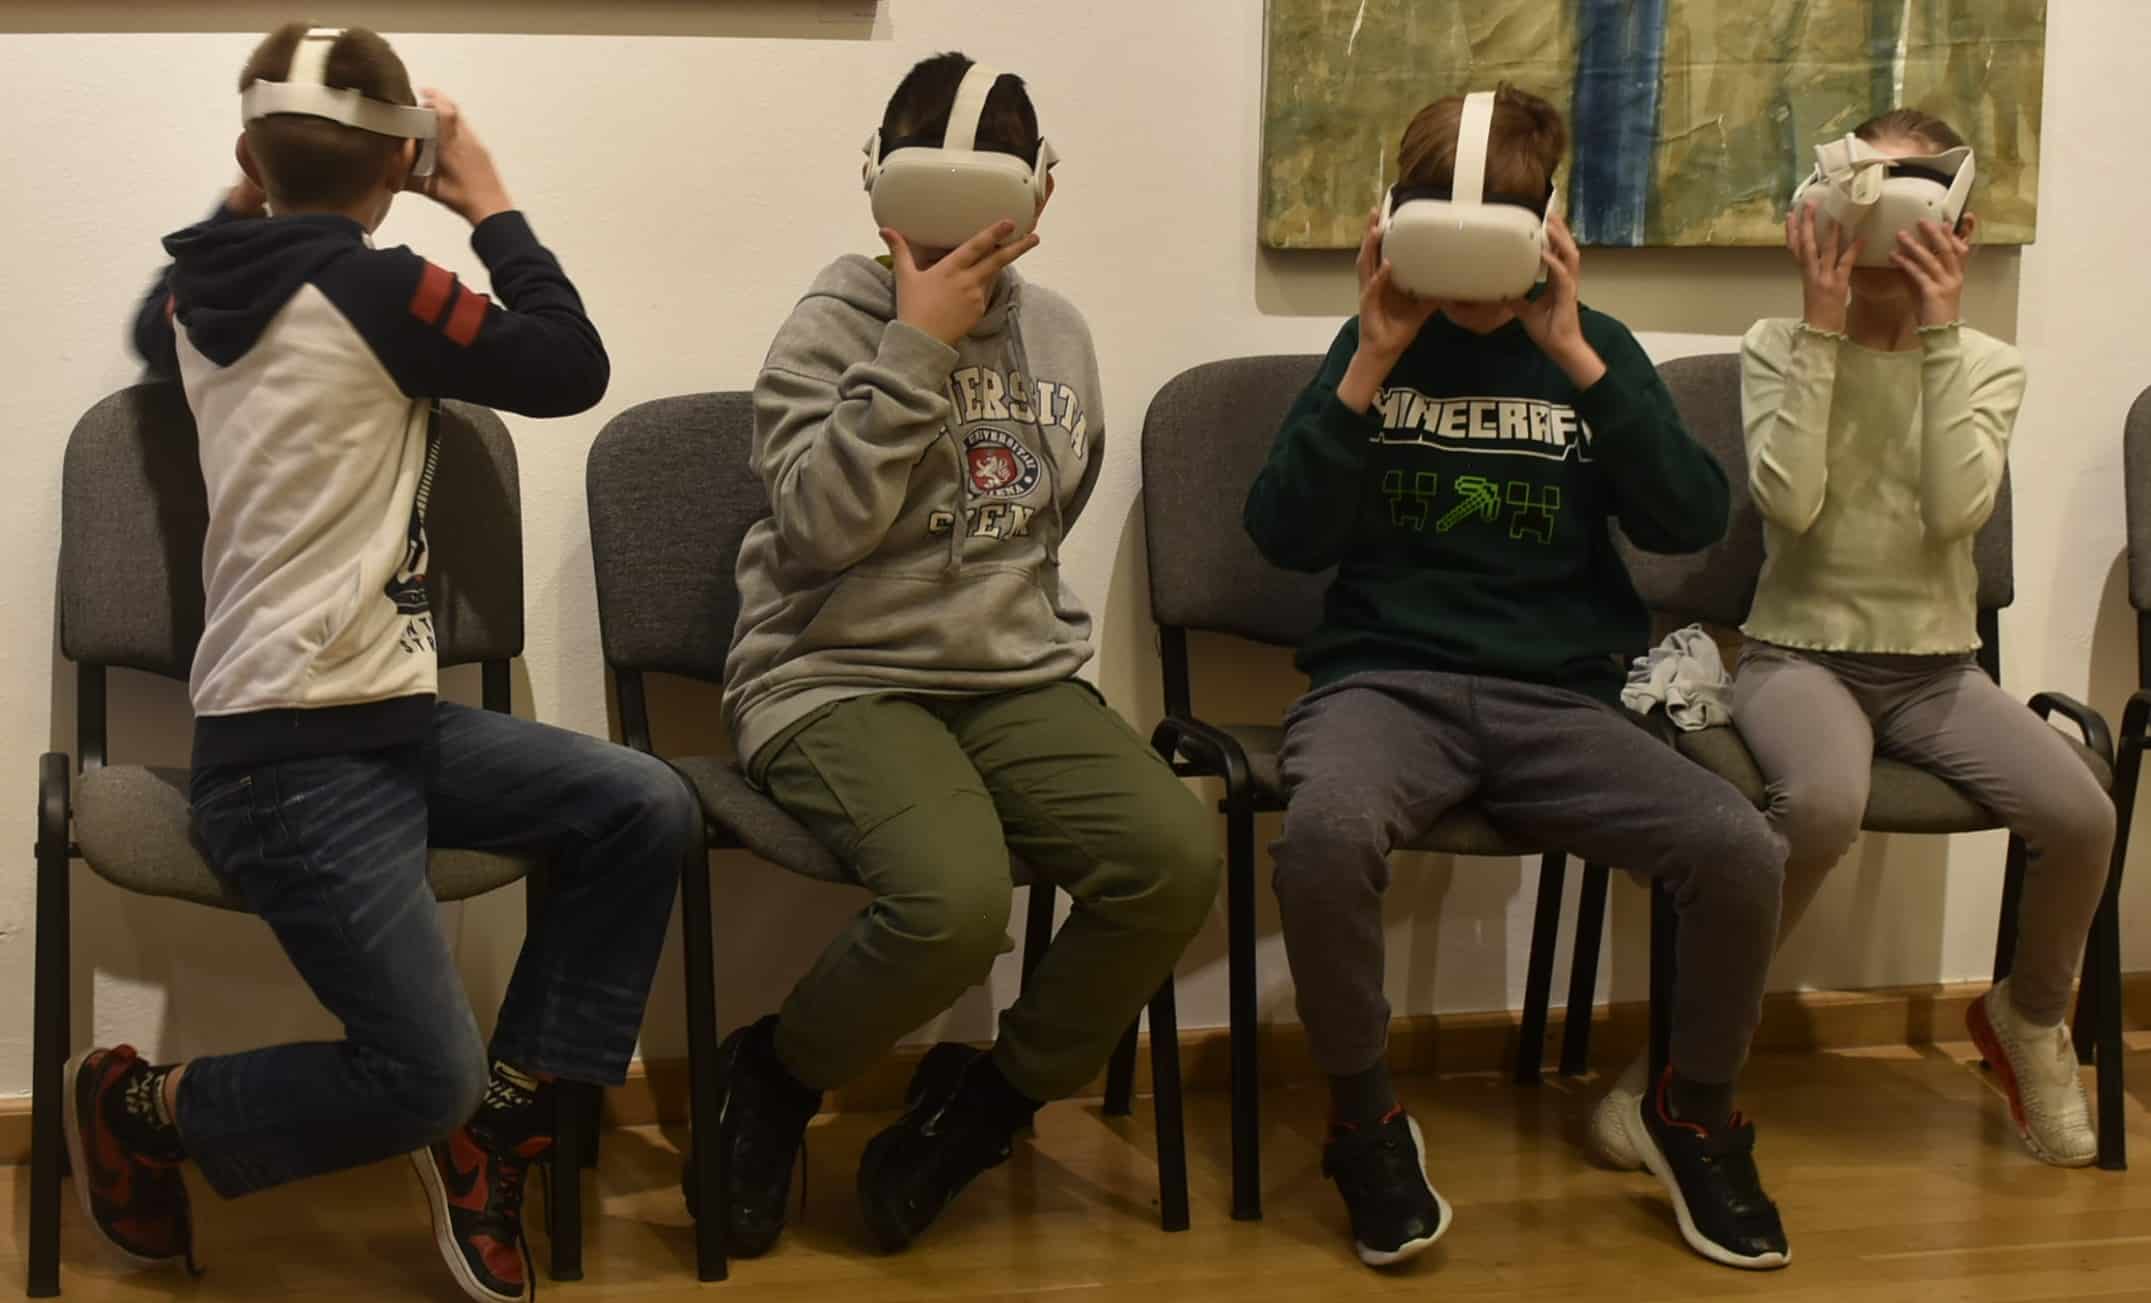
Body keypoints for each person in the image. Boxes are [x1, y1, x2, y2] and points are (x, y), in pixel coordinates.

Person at [89, 26, 699, 1303]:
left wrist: (253, 191)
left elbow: (153, 320)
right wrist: (489, 201)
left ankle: (500, 1127)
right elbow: (569, 363)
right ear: (396, 168)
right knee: (423, 1075)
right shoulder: (381, 294)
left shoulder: (197, 293)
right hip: (290, 761)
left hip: (386, 726)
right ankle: (144, 1108)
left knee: (643, 804)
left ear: (249, 152)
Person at [1245, 84, 1791, 1272]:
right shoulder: (1375, 345)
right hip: (1385, 683)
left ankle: (1693, 1111)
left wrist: (1579, 355)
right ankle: (1364, 1120)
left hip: (1559, 699)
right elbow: (1281, 532)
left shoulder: (1593, 354)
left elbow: (1690, 520)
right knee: (1323, 837)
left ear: (1545, 227)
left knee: (1739, 848)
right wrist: (1369, 359)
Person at [712, 51, 1219, 1257]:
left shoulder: (1061, 334)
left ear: (1041, 190)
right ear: (876, 184)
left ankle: (985, 1103)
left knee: (1173, 857)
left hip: (1012, 675)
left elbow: (1043, 516)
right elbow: (819, 529)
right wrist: (915, 347)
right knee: (953, 904)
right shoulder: (829, 325)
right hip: (831, 673)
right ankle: (774, 1076)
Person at [1593, 108, 2109, 1171]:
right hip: (1798, 655)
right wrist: (1820, 328)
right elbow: (1788, 504)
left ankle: (2027, 1018)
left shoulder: (1986, 365)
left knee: (2082, 813)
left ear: (1955, 223)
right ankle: (1685, 1060)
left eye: (1909, 196)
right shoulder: (1778, 347)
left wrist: (1942, 333)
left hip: (1936, 671)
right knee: (1821, 806)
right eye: (1863, 192)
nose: (1882, 223)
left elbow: (1957, 510)